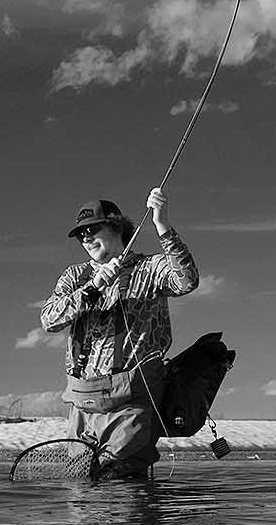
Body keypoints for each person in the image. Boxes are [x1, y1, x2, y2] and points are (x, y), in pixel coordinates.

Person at [39, 189, 199, 478]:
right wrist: (94, 286)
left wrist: (162, 226)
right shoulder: (75, 276)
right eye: (80, 234)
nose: (85, 238)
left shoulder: (148, 268)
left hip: (130, 403)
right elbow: (49, 319)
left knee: (123, 492)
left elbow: (186, 280)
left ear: (116, 227)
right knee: (80, 493)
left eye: (92, 229)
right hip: (81, 406)